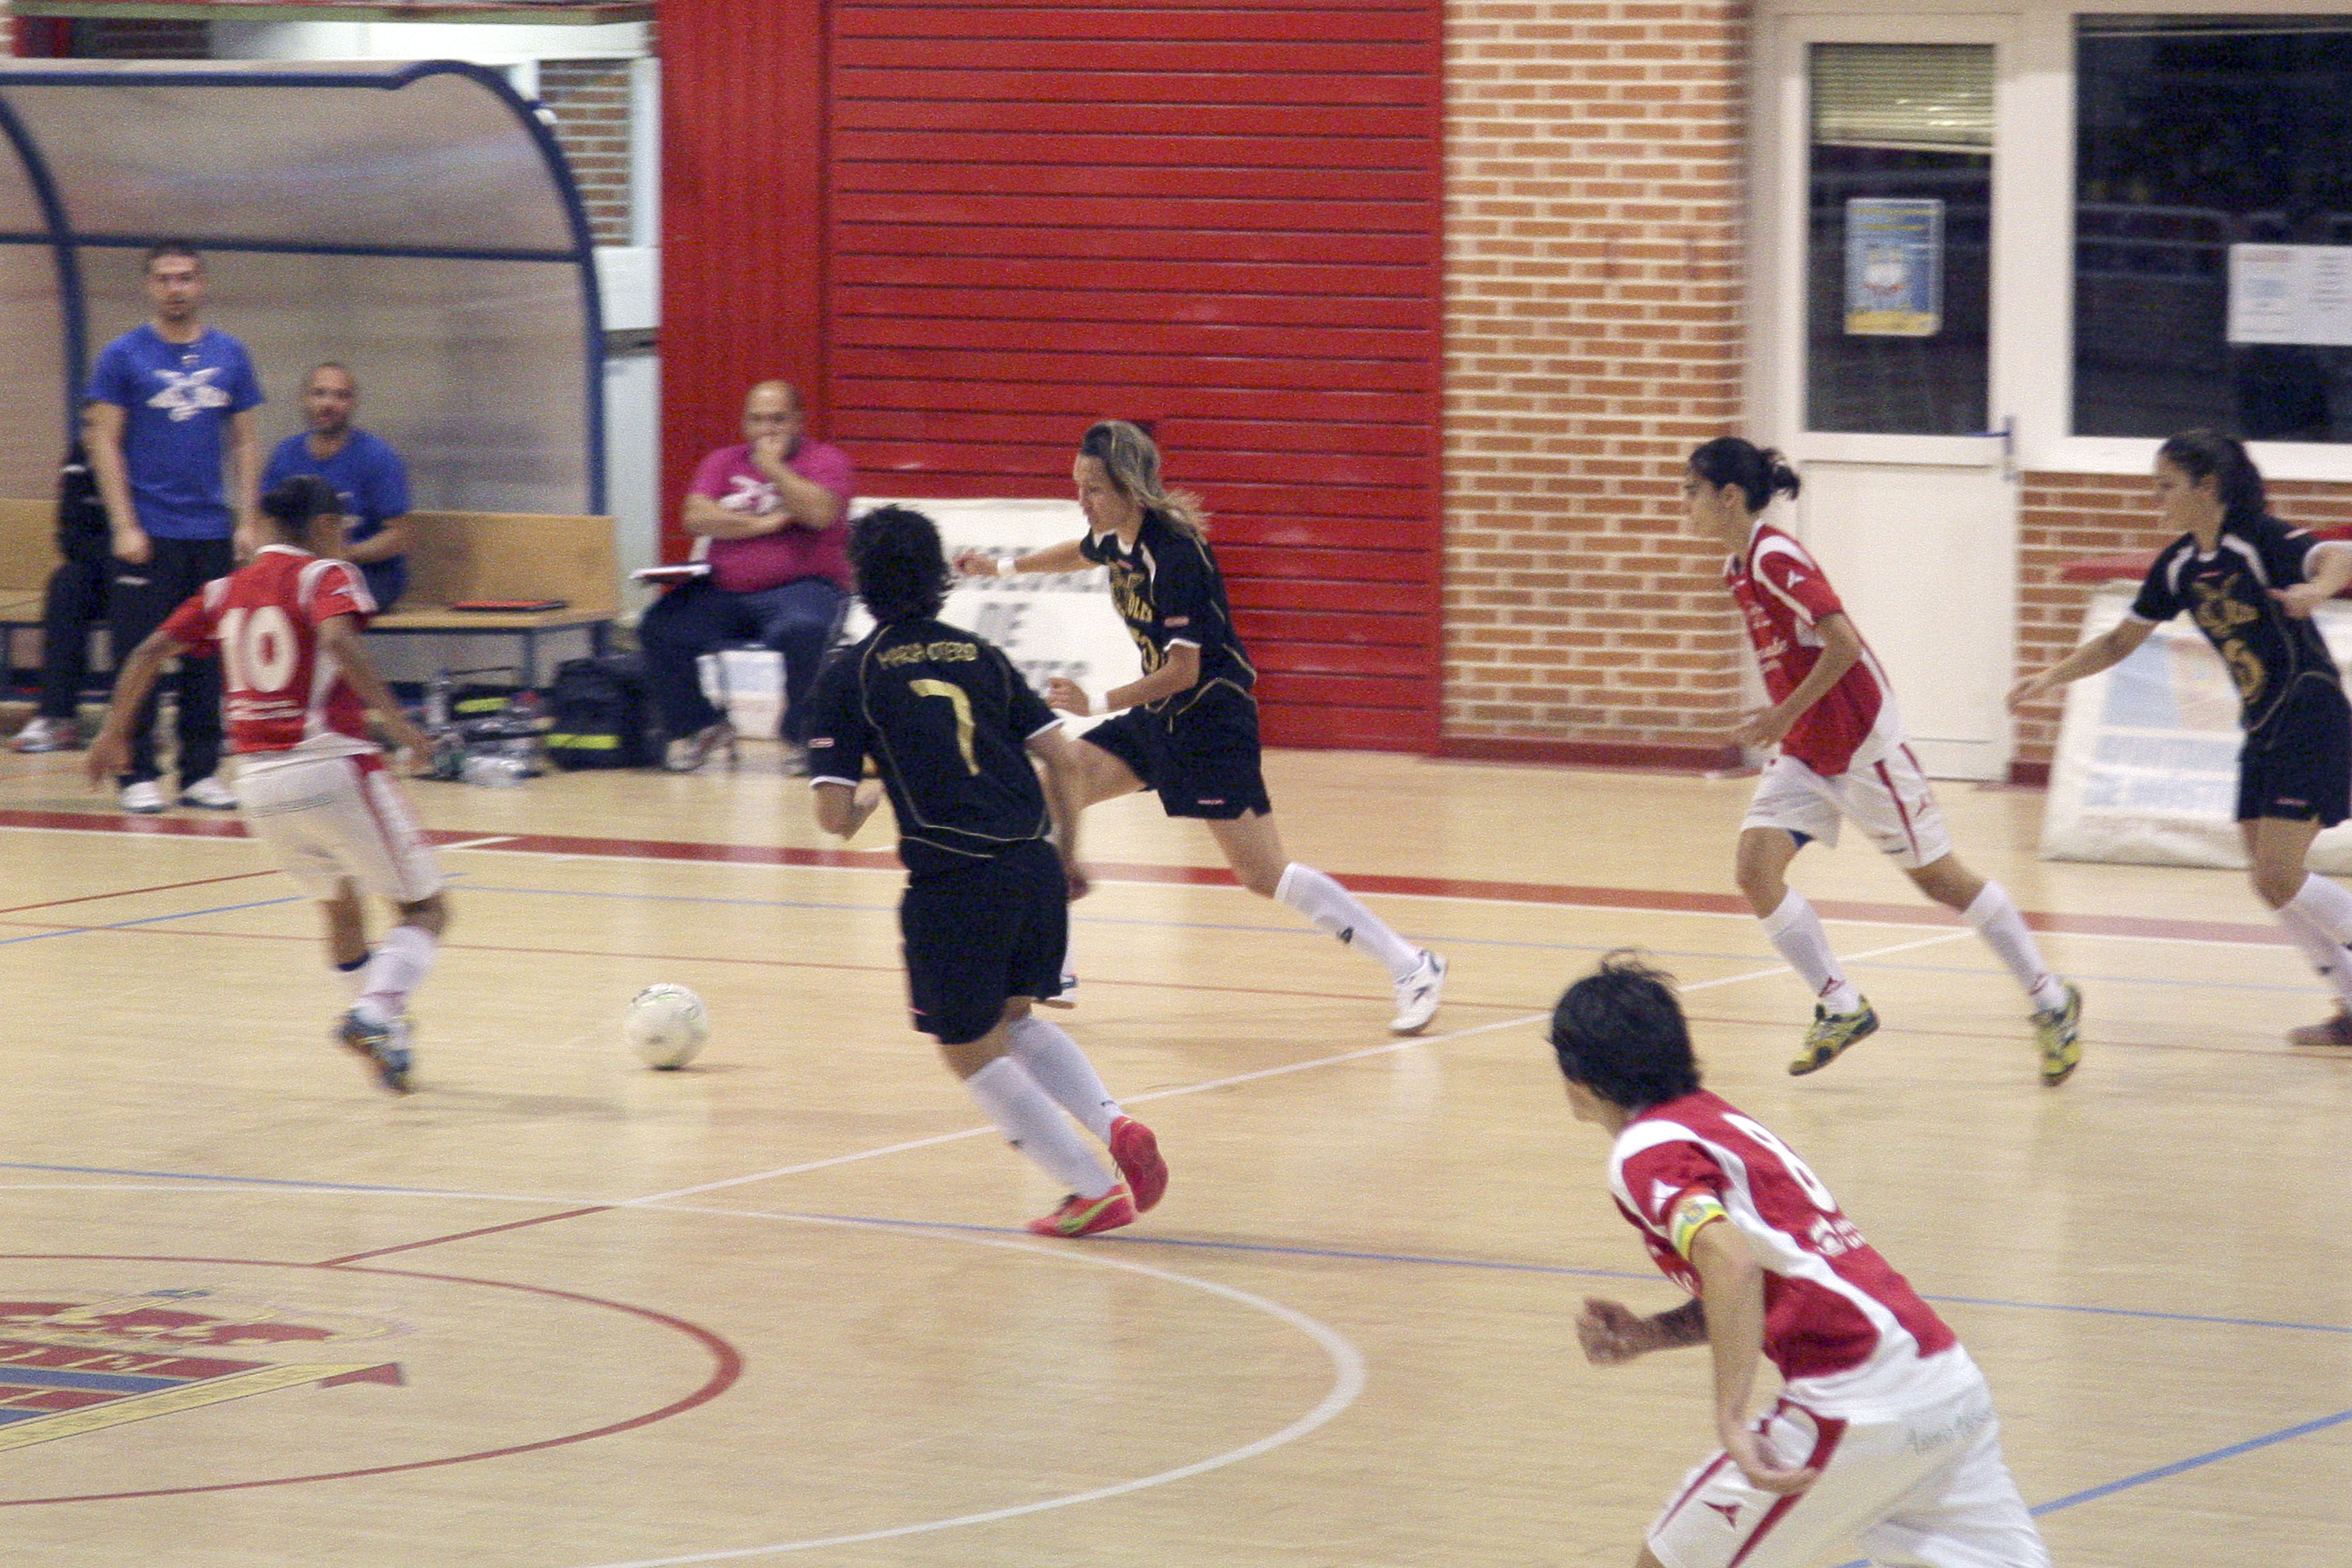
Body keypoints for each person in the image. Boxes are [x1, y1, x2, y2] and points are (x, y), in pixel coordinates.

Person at [1554, 953, 2053, 1568]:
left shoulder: (1643, 1149)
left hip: (1859, 1402)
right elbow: (1767, 1278)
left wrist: (1732, 1419)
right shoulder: (1716, 1120)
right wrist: (1652, 1333)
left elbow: (1730, 1261)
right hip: (1946, 1391)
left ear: (1581, 1079)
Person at [952, 420, 1448, 1035]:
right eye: (1077, 487)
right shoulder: (1117, 536)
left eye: (1093, 491)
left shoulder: (1176, 554)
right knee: (1057, 780)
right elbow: (1082, 550)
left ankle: (1412, 965)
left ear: (1130, 490)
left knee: (1264, 875)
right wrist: (997, 568)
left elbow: (1183, 671)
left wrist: (1097, 699)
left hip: (1211, 718)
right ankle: (1054, 961)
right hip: (1161, 717)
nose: (1082, 501)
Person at [804, 504, 1169, 1238]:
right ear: (936, 576)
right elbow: (1065, 759)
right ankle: (1115, 1120)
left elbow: (833, 819)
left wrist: (874, 791)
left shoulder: (853, 675)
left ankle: (1092, 1187)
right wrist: (1069, 853)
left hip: (955, 883)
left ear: (862, 581)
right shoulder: (981, 654)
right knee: (1014, 1018)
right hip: (1033, 863)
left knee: (967, 1048)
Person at [1688, 436, 2081, 1083]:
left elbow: (1841, 643)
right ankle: (1841, 1005)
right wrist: (1788, 722)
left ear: (1729, 496)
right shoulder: (1735, 570)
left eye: (1691, 490)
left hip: (1860, 742)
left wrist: (1782, 715)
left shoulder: (1773, 556)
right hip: (1807, 750)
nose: (1684, 503)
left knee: (1940, 880)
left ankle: (2051, 997)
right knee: (1756, 870)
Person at [84, 476, 447, 1095]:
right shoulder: (326, 577)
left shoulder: (223, 590)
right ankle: (375, 1013)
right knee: (425, 908)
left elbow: (146, 652)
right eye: (343, 528)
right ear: (327, 527)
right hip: (331, 765)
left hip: (256, 785)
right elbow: (336, 640)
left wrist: (113, 733)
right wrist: (400, 722)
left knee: (339, 905)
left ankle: (384, 1034)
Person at [2012, 430, 2352, 1049]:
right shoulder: (2178, 564)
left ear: (2209, 486)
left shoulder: (2260, 539)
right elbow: (2120, 641)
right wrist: (2050, 677)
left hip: (2310, 713)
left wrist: (2316, 591)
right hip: (2263, 725)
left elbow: (2337, 557)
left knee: (2279, 874)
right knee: (2266, 879)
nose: (2157, 499)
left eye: (2167, 486)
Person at [84, 241, 263, 815]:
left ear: (202, 284)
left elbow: (245, 440)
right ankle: (136, 770)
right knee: (142, 653)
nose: (176, 288)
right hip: (150, 533)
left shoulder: (230, 354)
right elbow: (103, 442)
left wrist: (248, 520)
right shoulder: (123, 356)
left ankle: (201, 770)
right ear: (149, 287)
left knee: (208, 656)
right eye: (165, 278)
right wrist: (124, 524)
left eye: (185, 278)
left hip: (210, 531)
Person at [644, 380, 855, 772]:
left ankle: (799, 736)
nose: (766, 430)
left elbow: (819, 514)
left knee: (805, 629)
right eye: (757, 421)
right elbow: (695, 517)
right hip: (725, 589)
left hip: (804, 588)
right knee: (660, 626)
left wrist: (772, 468)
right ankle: (702, 725)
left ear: (798, 421)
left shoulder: (826, 461)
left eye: (777, 420)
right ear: (744, 424)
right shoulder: (721, 462)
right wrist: (767, 524)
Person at [261, 363, 412, 610]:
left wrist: (345, 555)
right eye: (319, 393)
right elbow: (267, 523)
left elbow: (400, 536)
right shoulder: (285, 455)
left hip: (367, 574)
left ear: (352, 403)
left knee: (325, 602)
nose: (328, 404)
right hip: (299, 571)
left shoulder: (378, 457)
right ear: (304, 399)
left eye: (340, 395)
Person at [9, 442, 110, 755]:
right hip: (99, 565)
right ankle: (57, 716)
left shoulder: (151, 446)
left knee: (133, 592)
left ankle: (134, 719)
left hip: (147, 567)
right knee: (66, 584)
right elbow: (70, 534)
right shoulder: (82, 455)